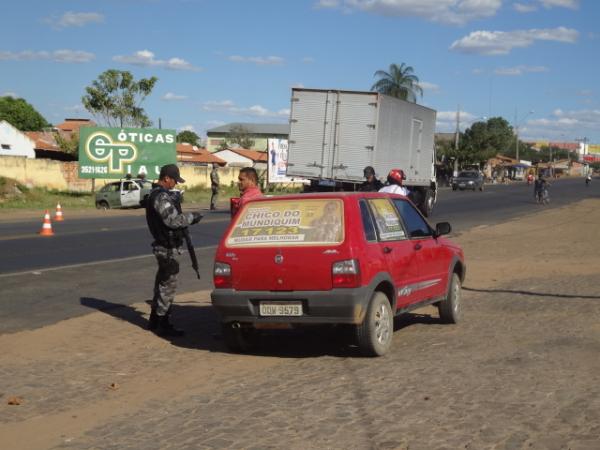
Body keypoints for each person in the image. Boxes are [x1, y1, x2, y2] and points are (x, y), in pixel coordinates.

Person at [146, 164, 203, 337]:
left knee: (161, 282)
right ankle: (163, 323)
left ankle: (155, 320)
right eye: (174, 181)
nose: (175, 185)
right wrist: (192, 217)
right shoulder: (161, 197)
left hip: (165, 246)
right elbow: (173, 221)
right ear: (166, 178)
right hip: (167, 248)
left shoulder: (158, 195)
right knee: (168, 285)